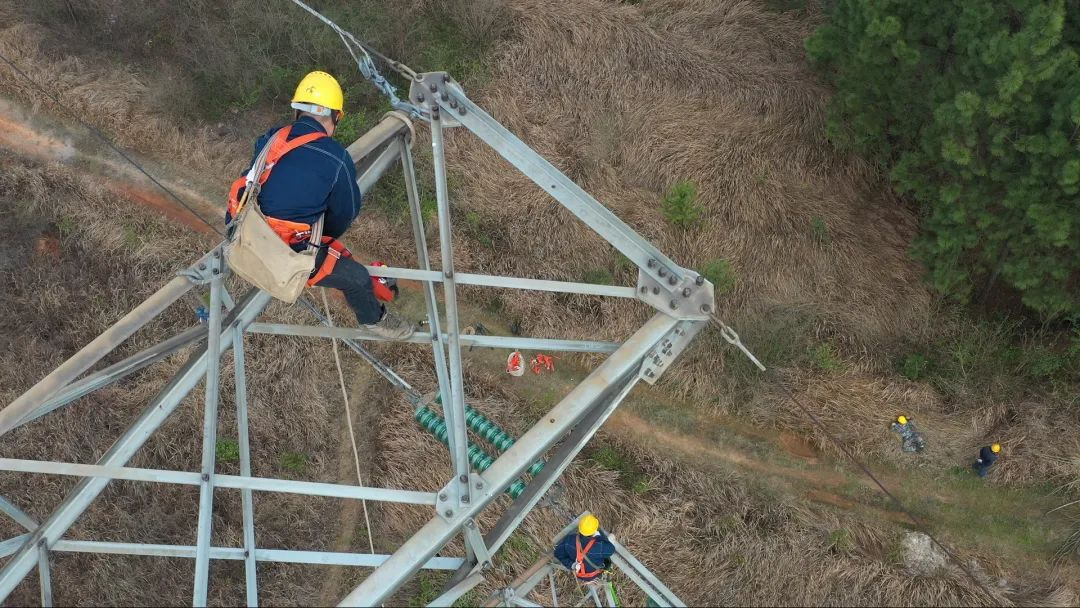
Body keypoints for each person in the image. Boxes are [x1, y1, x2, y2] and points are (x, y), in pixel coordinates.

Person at [225, 71, 413, 340]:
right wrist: (320, 235)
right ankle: (374, 320)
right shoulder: (337, 159)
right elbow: (344, 215)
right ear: (335, 116)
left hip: (244, 230)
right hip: (286, 254)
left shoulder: (272, 138)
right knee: (357, 278)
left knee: (336, 253)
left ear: (298, 112)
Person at [553, 514, 615, 584]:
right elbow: (611, 549)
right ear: (595, 530)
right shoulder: (599, 545)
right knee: (612, 537)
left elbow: (557, 553)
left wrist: (572, 565)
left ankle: (586, 580)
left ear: (580, 529)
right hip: (594, 574)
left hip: (581, 575)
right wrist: (598, 536)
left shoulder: (569, 540)